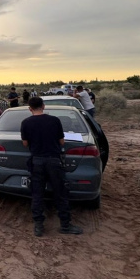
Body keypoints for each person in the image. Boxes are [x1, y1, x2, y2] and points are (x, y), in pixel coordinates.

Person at [20, 98, 83, 237]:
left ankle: (38, 226)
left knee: (37, 194)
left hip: (37, 161)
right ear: (43, 106)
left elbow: (25, 143)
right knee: (60, 193)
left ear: (29, 108)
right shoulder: (54, 120)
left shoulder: (26, 123)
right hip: (54, 161)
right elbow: (61, 141)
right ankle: (65, 225)